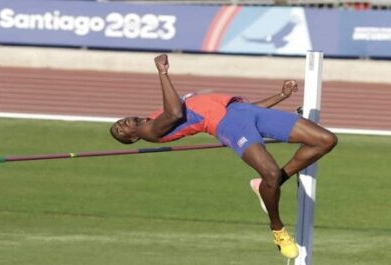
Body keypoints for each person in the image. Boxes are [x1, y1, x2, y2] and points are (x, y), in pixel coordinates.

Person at [110, 54, 337, 259]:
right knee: (270, 172)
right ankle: (277, 229)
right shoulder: (150, 131)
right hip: (227, 125)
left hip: (244, 111)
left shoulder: (154, 115)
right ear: (132, 139)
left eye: (119, 122)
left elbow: (249, 109)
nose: (120, 124)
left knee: (325, 140)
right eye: (120, 130)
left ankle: (268, 185)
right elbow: (176, 112)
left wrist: (281, 95)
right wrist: (163, 72)